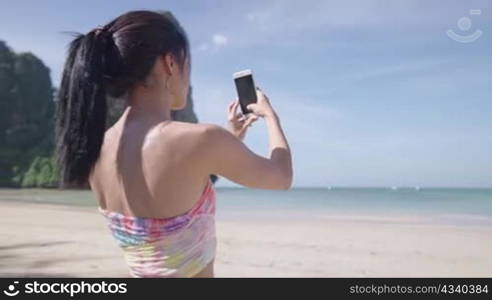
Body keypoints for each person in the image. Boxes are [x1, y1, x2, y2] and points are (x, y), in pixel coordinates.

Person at [55, 10, 292, 278]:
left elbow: (179, 183)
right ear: (170, 63)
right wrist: (271, 115)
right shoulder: (200, 140)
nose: (188, 78)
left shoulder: (95, 148)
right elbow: (281, 177)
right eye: (187, 65)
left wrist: (232, 136)